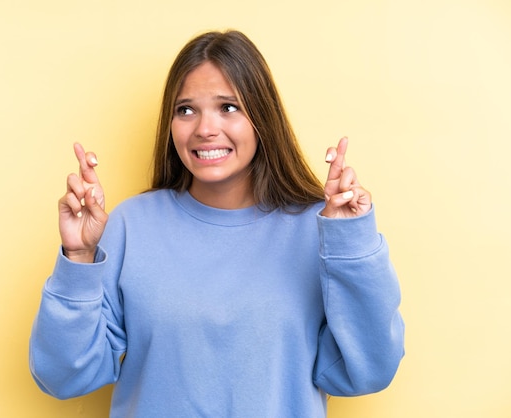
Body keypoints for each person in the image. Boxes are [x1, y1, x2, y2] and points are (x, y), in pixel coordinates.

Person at [29, 30, 405, 417]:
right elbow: (63, 377)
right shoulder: (131, 224)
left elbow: (369, 370)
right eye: (186, 109)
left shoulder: (319, 228)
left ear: (263, 116)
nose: (205, 128)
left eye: (228, 107)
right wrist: (78, 257)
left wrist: (352, 242)